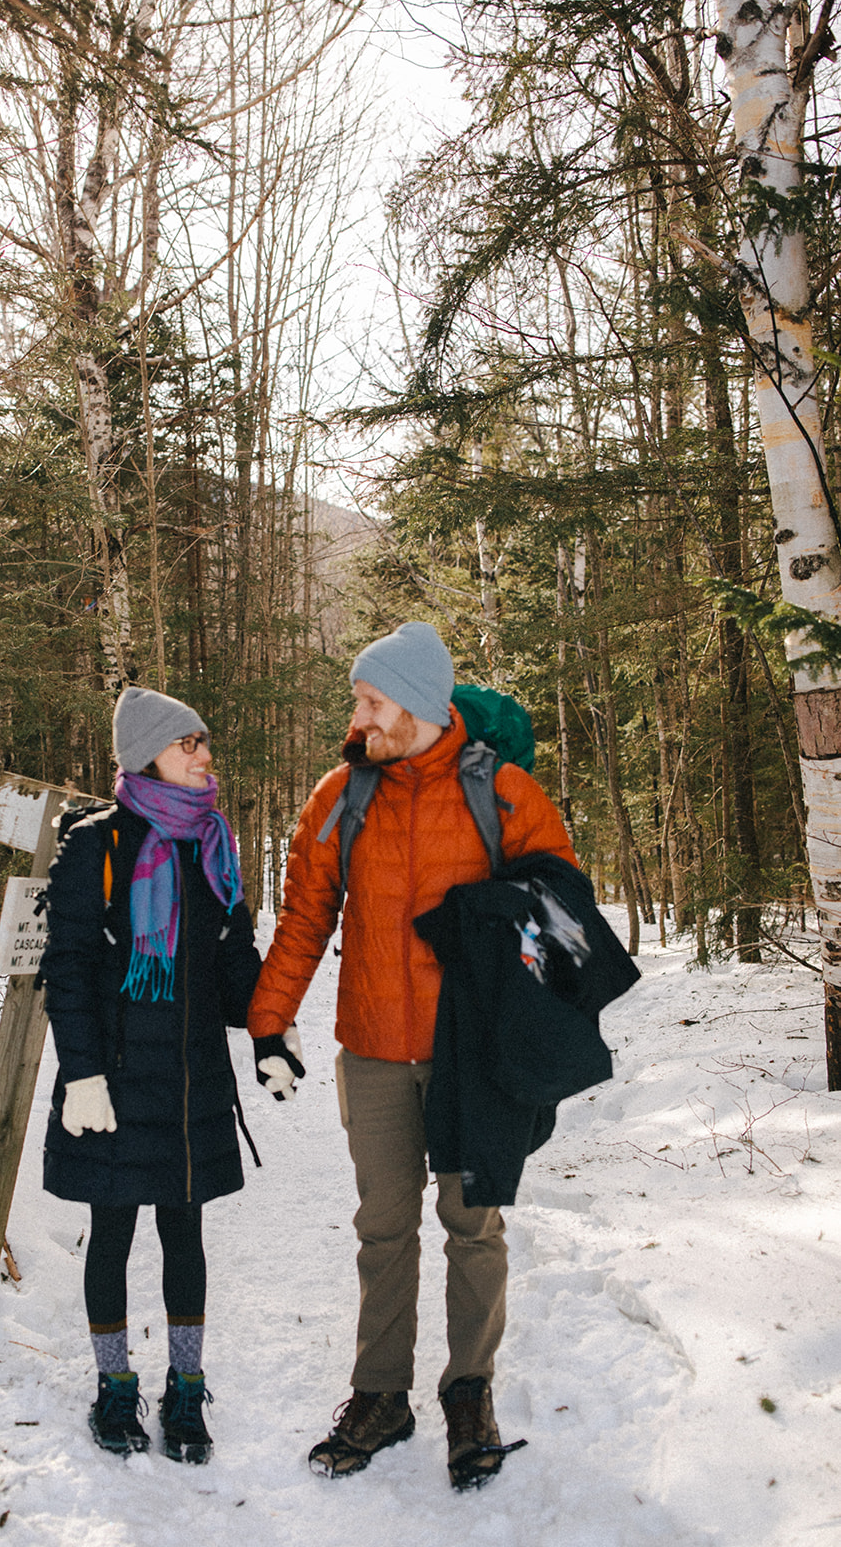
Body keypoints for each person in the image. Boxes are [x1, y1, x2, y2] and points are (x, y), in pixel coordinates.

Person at [247, 622, 577, 1491]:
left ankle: (469, 1393)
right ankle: (380, 1395)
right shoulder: (341, 795)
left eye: (371, 701)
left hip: (473, 1057)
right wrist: (270, 1024)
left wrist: (522, 1001)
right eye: (360, 699)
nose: (357, 716)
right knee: (383, 1226)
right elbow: (304, 917)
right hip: (376, 1049)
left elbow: (564, 916)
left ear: (422, 707)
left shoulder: (505, 795)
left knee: (473, 1224)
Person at [40, 685, 261, 1465]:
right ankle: (114, 1386)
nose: (206, 756)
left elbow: (235, 959)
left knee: (185, 1232)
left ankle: (188, 1388)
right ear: (149, 757)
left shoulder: (214, 845)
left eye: (204, 741)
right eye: (190, 743)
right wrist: (83, 1075)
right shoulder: (94, 846)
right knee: (111, 1231)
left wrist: (270, 1031)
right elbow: (65, 969)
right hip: (115, 1078)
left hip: (193, 1077)